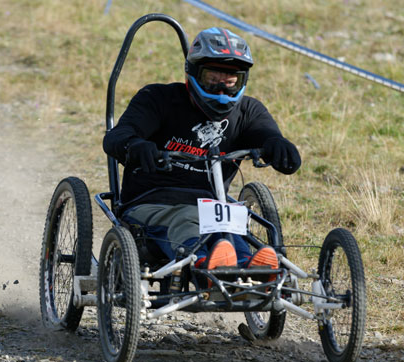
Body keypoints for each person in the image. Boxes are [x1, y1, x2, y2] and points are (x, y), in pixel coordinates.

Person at [103, 27, 300, 275]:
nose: (221, 90)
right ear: (193, 73)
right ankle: (205, 264)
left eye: (230, 82)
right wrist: (134, 145)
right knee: (188, 218)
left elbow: (268, 135)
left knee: (227, 226)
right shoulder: (158, 98)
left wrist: (278, 145)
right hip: (151, 202)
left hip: (211, 206)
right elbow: (117, 136)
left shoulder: (249, 111)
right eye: (212, 79)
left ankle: (246, 270)